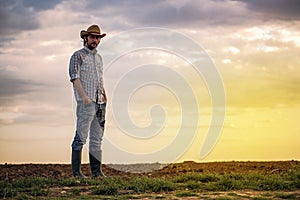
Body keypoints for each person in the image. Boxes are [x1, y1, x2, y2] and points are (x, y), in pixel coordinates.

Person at [69, 24, 107, 178]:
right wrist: (84, 97)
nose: (95, 40)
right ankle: (77, 173)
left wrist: (104, 94)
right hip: (87, 102)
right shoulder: (78, 56)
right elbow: (74, 77)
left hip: (100, 102)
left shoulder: (99, 58)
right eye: (92, 37)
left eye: (97, 37)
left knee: (97, 138)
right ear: (85, 38)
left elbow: (99, 78)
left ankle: (97, 173)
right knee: (81, 136)